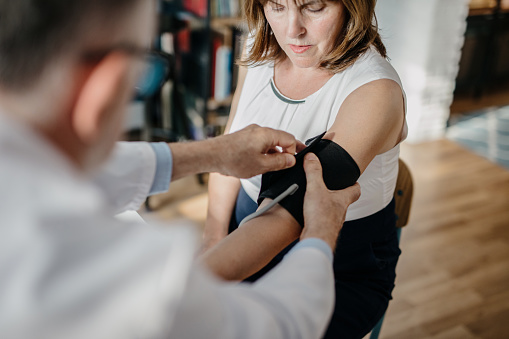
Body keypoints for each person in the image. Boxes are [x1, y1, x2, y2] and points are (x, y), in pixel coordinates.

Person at [0, 1, 362, 339]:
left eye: (313, 6)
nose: (292, 28)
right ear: (105, 87)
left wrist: (213, 153)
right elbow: (278, 325)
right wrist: (320, 231)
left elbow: (92, 172)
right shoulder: (124, 281)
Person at [203, 0, 407, 337]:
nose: (291, 29)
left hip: (341, 262)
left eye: (313, 7)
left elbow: (288, 211)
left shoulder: (376, 92)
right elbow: (231, 153)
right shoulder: (260, 46)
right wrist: (213, 238)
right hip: (244, 229)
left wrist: (191, 286)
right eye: (277, 6)